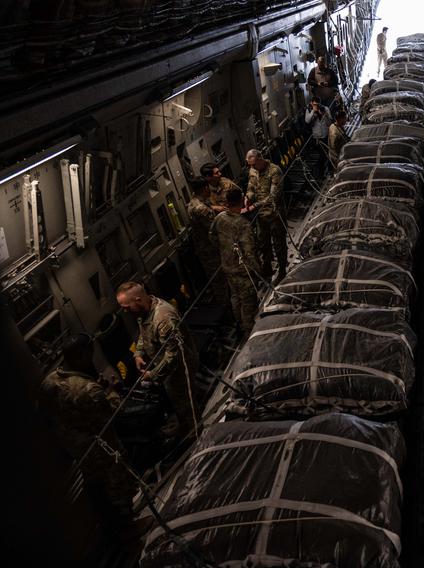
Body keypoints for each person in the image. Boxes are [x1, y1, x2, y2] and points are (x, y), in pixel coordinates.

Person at [40, 334, 137, 541]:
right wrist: (110, 390)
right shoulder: (88, 389)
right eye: (90, 354)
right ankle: (129, 529)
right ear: (82, 355)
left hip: (76, 448)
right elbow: (112, 414)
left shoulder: (48, 383)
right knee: (117, 484)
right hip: (101, 447)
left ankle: (108, 528)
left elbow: (48, 414)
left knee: (96, 488)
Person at [116, 281, 201, 439]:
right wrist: (138, 353)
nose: (125, 312)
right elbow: (144, 331)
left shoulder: (163, 318)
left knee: (186, 403)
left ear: (138, 300)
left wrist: (153, 375)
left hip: (180, 368)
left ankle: (196, 434)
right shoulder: (143, 311)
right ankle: (186, 426)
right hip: (167, 370)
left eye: (126, 307)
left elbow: (173, 355)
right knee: (177, 401)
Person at [211, 188, 261, 335]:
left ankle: (239, 323)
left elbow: (212, 236)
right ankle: (249, 331)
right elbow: (250, 252)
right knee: (247, 301)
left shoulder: (219, 217)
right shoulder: (243, 224)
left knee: (235, 297)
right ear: (241, 201)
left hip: (227, 267)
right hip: (243, 271)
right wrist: (257, 271)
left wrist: (224, 251)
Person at [245, 149, 287, 282]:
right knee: (264, 243)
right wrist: (248, 197)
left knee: (279, 243)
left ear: (260, 159)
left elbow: (274, 196)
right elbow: (251, 187)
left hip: (275, 213)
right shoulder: (253, 170)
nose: (252, 167)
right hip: (261, 215)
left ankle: (282, 270)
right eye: (250, 165)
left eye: (254, 164)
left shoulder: (274, 171)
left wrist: (254, 206)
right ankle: (267, 266)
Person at [186, 177, 229, 303]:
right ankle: (229, 311)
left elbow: (207, 207)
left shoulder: (194, 201)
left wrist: (216, 208)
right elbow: (214, 230)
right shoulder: (201, 209)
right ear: (205, 188)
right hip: (211, 251)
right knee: (220, 282)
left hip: (204, 249)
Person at [305, 97, 332, 179]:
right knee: (321, 156)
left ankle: (328, 171)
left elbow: (329, 122)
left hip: (325, 135)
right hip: (316, 138)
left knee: (327, 154)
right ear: (311, 103)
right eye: (314, 104)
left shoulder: (325, 109)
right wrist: (313, 110)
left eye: (317, 104)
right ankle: (321, 174)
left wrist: (324, 115)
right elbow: (307, 120)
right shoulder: (309, 110)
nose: (316, 106)